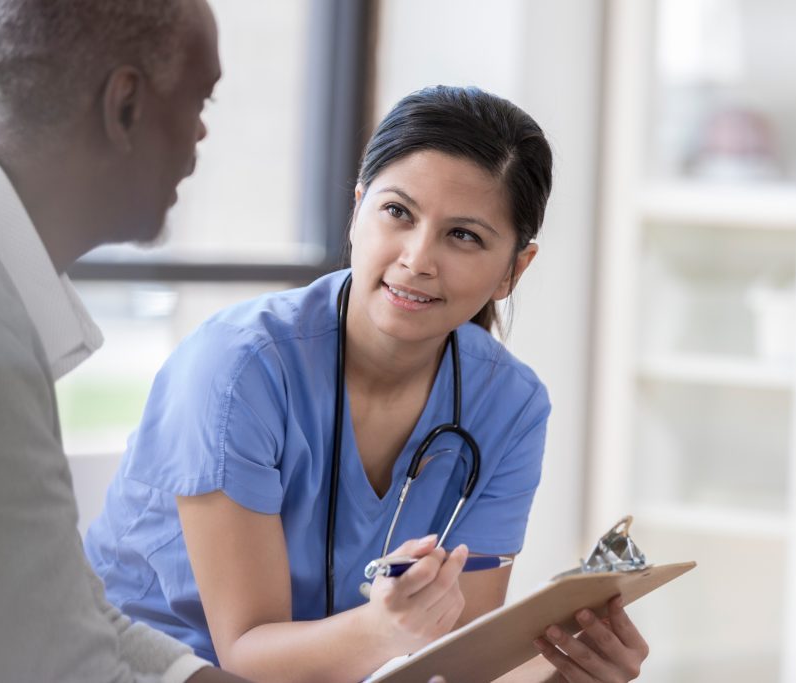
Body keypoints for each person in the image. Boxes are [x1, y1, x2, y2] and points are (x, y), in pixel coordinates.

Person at [84, 85, 650, 683]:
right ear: (357, 211)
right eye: (398, 213)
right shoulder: (239, 367)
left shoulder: (510, 405)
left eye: (464, 236)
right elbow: (246, 653)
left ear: (514, 269)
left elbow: (454, 664)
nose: (417, 258)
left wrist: (566, 673)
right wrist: (384, 631)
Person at [0, 0, 250, 680]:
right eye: (199, 100)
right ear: (125, 106)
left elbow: (62, 606)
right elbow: (58, 665)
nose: (200, 135)